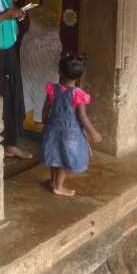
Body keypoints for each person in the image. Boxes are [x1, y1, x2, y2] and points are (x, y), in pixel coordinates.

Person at [40, 53, 102, 196]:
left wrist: (45, 123)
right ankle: (59, 187)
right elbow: (82, 116)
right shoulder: (77, 94)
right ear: (80, 77)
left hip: (52, 128)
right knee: (62, 160)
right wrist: (94, 132)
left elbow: (46, 108)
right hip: (69, 133)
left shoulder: (52, 89)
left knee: (55, 157)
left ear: (59, 72)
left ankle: (53, 181)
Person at [19, 0, 65, 126]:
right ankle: (30, 119)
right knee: (30, 86)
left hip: (46, 49)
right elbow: (30, 7)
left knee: (44, 86)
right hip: (32, 47)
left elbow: (38, 14)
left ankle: (42, 121)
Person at [0, 0, 32, 159]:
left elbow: (9, 8)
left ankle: (11, 144)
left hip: (9, 44)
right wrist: (6, 15)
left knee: (12, 93)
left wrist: (17, 13)